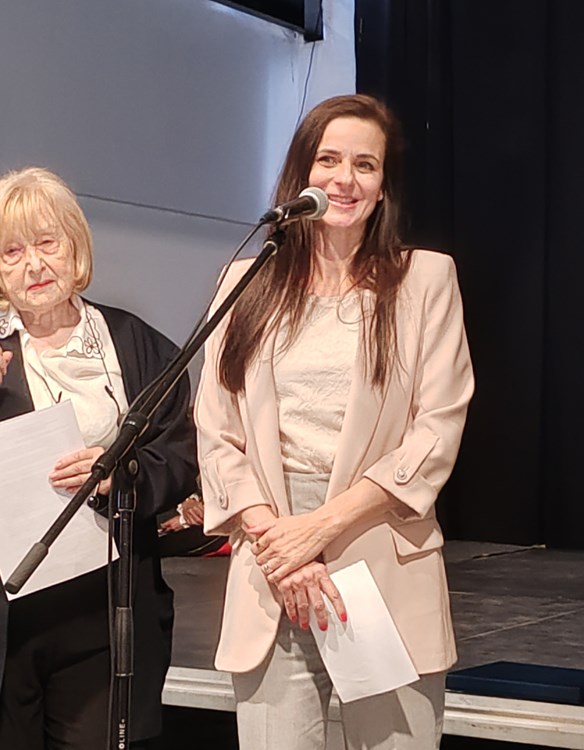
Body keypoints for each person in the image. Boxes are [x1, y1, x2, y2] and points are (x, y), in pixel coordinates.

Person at [0, 167, 197, 750]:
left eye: (47, 243)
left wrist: (118, 474)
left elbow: (180, 457)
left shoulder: (137, 344)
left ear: (75, 247)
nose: (34, 264)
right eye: (13, 251)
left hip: (101, 610)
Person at [195, 94, 474, 749]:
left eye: (364, 165)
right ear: (301, 174)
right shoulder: (246, 281)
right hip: (272, 564)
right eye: (328, 160)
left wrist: (318, 530)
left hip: (377, 549)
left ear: (384, 189)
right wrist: (283, 547)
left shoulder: (425, 279)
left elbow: (435, 430)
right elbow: (216, 431)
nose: (344, 179)